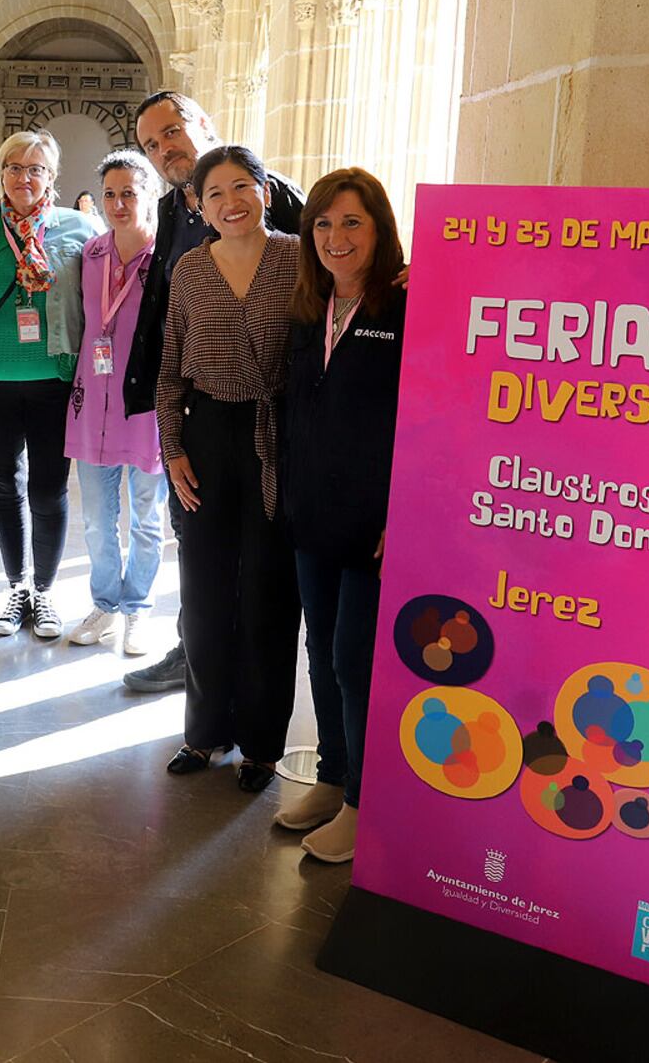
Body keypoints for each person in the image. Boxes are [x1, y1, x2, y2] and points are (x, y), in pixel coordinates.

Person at [119, 91, 307, 694]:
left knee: (262, 565)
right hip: (203, 416)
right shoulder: (177, 206)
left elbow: (339, 261)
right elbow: (170, 313)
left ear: (202, 123)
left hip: (276, 417)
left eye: (171, 131)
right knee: (198, 551)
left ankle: (251, 692)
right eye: (151, 143)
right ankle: (196, 658)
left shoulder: (267, 192)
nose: (163, 148)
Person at [156, 145, 302, 794]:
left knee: (271, 591)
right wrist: (172, 447)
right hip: (207, 433)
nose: (230, 201)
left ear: (266, 190)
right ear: (199, 204)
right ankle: (204, 730)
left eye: (242, 186)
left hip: (280, 433)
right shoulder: (189, 270)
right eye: (214, 193)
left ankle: (263, 744)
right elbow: (168, 368)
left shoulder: (300, 259)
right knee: (204, 587)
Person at [278, 168, 408, 863]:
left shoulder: (406, 308)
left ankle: (365, 800)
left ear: (380, 228)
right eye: (324, 224)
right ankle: (331, 777)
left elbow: (425, 420)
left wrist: (404, 510)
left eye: (352, 222)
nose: (336, 237)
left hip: (375, 523)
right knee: (320, 653)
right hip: (312, 513)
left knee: (354, 657)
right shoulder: (309, 308)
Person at [0, 130, 97, 639]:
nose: (24, 177)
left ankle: (45, 593)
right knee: (3, 483)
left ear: (52, 177)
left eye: (36, 168)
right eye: (14, 166)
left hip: (55, 382)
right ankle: (16, 589)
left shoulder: (80, 230)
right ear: (0, 172)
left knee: (49, 488)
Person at [64, 151, 167, 656]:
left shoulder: (168, 259)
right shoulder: (92, 255)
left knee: (147, 518)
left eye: (130, 192)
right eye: (110, 193)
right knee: (96, 519)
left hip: (145, 410)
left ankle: (138, 608)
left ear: (150, 194)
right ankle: (105, 602)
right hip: (92, 406)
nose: (119, 203)